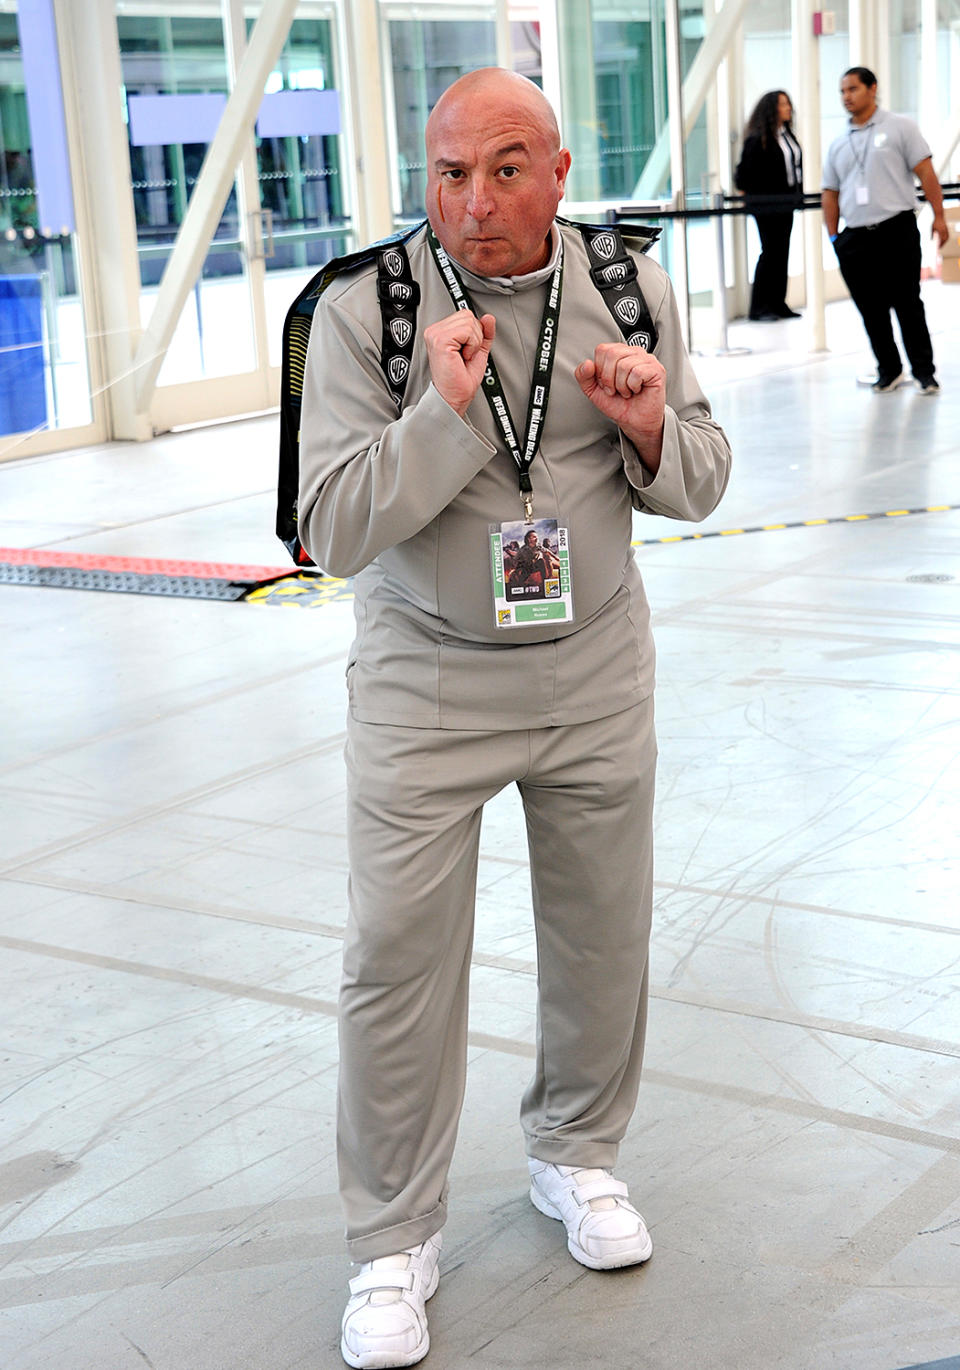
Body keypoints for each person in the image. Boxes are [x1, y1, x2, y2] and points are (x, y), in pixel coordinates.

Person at [297, 67, 731, 1370]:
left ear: (555, 169)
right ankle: (390, 1234)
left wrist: (652, 427)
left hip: (594, 668)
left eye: (501, 168)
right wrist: (438, 415)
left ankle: (578, 1154)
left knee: (604, 929)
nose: (471, 202)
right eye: (446, 172)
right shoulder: (362, 308)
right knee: (395, 956)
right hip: (428, 681)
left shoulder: (632, 282)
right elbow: (328, 531)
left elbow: (702, 477)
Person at [822, 66, 948, 394]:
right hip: (856, 238)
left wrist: (939, 217)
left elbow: (927, 174)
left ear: (872, 88)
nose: (847, 97)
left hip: (897, 230)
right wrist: (835, 237)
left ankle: (924, 373)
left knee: (908, 303)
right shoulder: (838, 143)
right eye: (842, 91)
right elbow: (830, 193)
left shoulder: (900, 127)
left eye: (853, 89)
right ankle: (888, 370)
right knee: (871, 310)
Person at [735, 90, 804, 321]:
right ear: (771, 109)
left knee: (782, 252)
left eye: (788, 104)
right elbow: (742, 176)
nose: (788, 108)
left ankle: (777, 303)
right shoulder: (758, 139)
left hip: (787, 202)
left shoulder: (787, 135)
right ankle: (759, 308)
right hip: (766, 205)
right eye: (783, 104)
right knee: (770, 252)